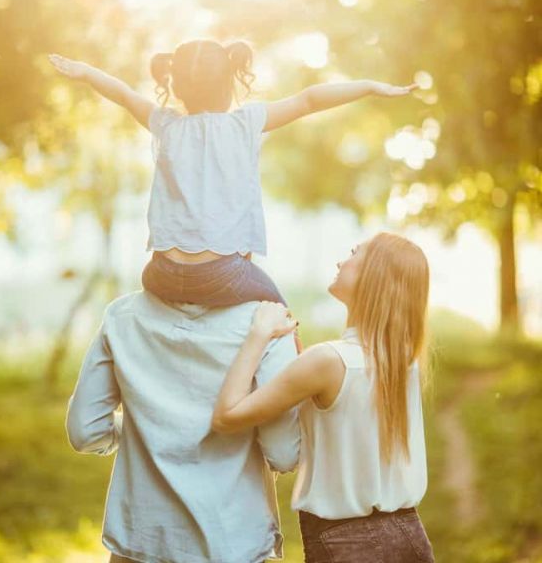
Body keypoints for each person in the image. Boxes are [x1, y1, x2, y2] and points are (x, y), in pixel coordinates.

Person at [48, 40, 417, 322]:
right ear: (230, 79)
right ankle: (296, 398)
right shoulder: (245, 123)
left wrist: (85, 72)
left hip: (159, 274)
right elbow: (309, 100)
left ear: (176, 88)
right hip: (221, 277)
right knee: (281, 320)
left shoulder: (165, 124)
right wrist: (369, 85)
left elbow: (124, 94)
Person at [212, 232, 435, 563]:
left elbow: (226, 416)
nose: (341, 260)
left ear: (374, 275)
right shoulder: (403, 360)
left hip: (348, 544)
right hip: (408, 536)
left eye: (353, 252)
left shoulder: (329, 362)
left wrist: (259, 334)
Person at [65, 290, 300, 563]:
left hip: (140, 540)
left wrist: (146, 428)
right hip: (232, 541)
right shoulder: (267, 323)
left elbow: (85, 431)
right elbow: (283, 454)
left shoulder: (122, 315)